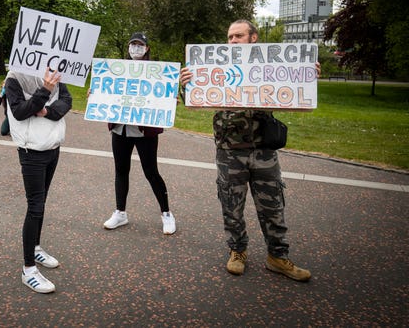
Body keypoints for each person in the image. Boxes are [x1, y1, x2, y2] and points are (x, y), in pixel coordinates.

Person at [180, 20, 318, 282]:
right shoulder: (213, 68)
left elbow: (297, 97)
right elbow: (193, 103)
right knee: (231, 206)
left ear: (253, 38)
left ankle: (278, 256)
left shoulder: (271, 66)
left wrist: (307, 76)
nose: (232, 41)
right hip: (229, 151)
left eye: (238, 36)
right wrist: (186, 84)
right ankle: (237, 251)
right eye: (229, 37)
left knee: (272, 206)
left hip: (263, 150)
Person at [4, 67, 72, 293]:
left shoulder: (53, 72)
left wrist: (46, 112)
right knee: (35, 206)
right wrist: (45, 90)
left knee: (41, 203)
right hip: (31, 150)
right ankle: (28, 269)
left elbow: (67, 100)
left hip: (53, 147)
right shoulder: (14, 77)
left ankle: (35, 247)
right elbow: (20, 111)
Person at [102, 32, 176, 235]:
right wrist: (96, 94)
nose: (136, 48)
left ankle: (166, 213)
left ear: (147, 48)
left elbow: (164, 94)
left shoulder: (157, 72)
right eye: (132, 44)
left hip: (145, 131)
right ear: (128, 47)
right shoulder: (117, 71)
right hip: (120, 128)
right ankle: (120, 212)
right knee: (121, 170)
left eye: (140, 45)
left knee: (151, 172)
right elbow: (106, 91)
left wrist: (169, 100)